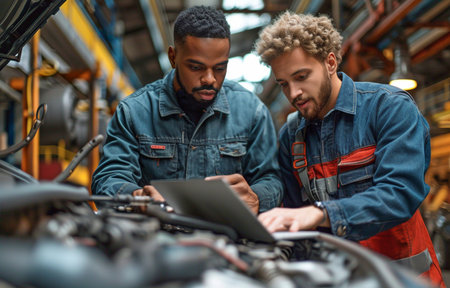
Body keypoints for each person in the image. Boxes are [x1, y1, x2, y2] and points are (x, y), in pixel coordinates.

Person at [254, 12, 444, 286]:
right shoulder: (291, 137)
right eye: (284, 84)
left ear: (330, 62)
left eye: (301, 76)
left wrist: (322, 214)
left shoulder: (388, 108)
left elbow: (399, 193)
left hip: (405, 278)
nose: (293, 93)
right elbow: (293, 220)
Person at [91, 6, 282, 214]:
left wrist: (256, 198)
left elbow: (271, 179)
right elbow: (108, 179)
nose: (209, 79)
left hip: (227, 239)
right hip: (156, 238)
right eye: (196, 67)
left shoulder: (252, 112)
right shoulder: (134, 112)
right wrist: (139, 197)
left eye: (220, 68)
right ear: (173, 57)